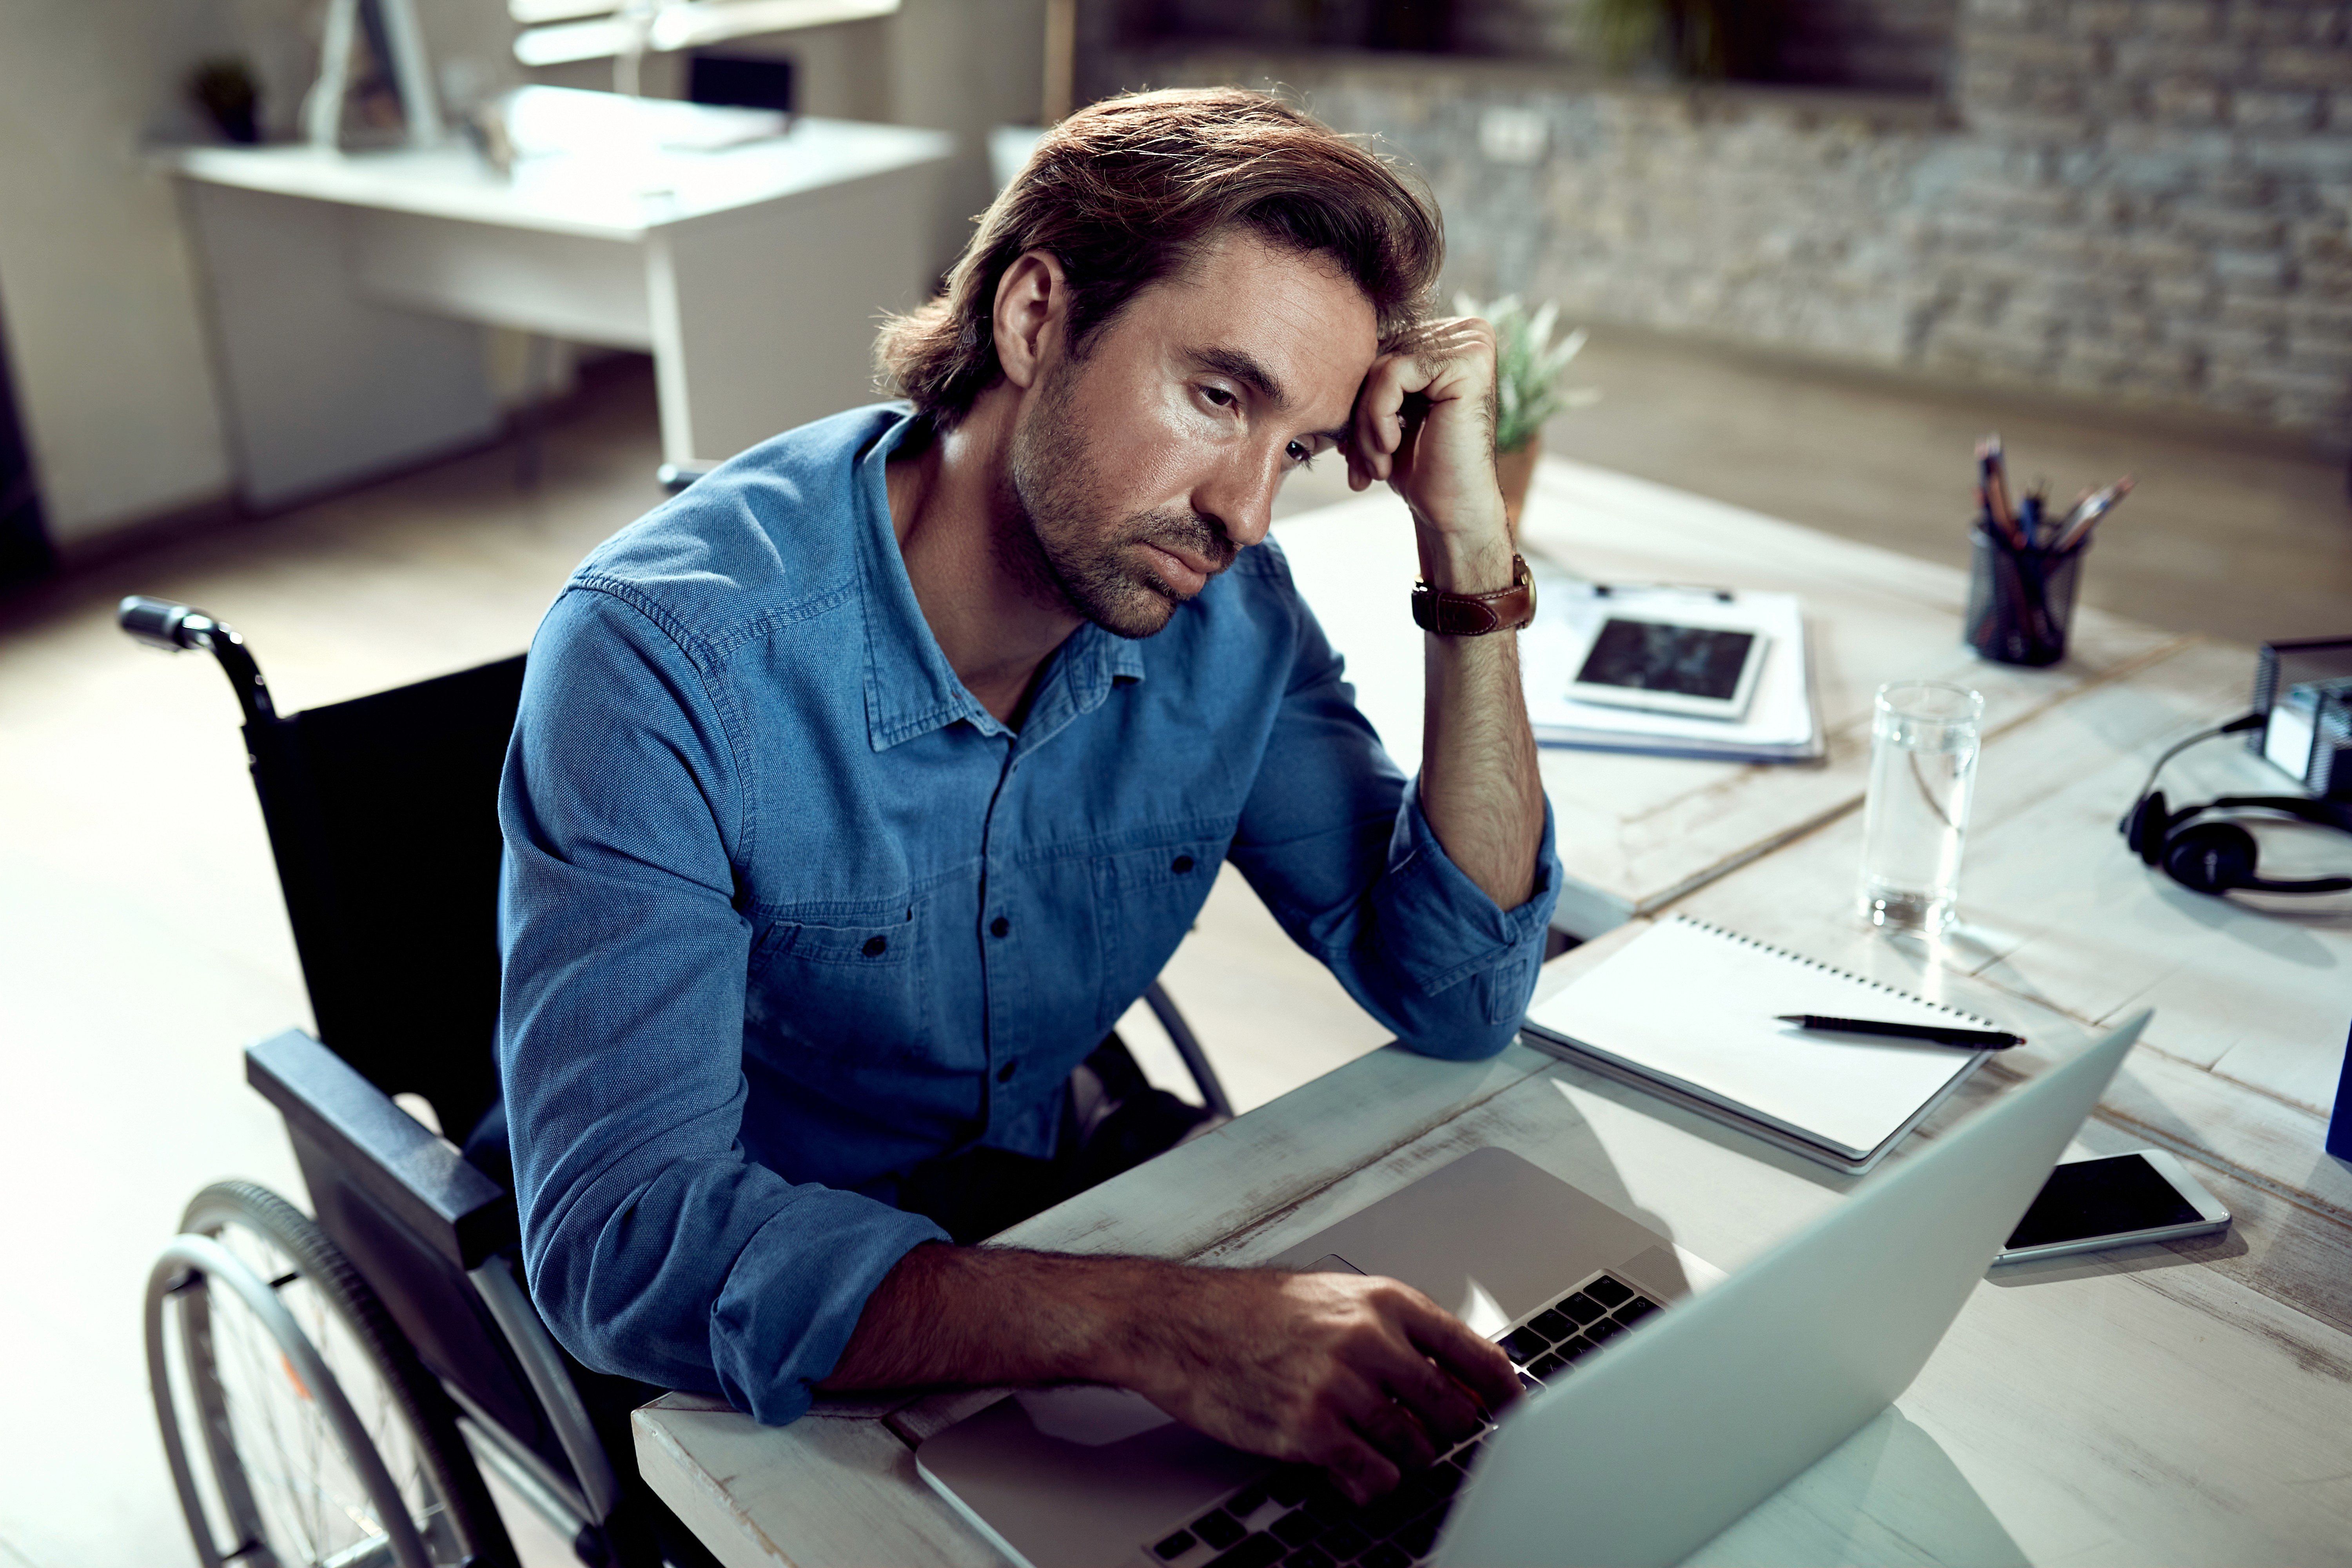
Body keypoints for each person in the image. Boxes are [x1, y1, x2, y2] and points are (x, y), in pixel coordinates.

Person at [496, 87, 1559, 1504]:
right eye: (1218, 397)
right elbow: (627, 1244)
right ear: (1036, 315)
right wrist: (1146, 1325)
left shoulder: (1233, 617)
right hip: (748, 1324)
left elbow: (1460, 991)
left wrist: (1466, 546)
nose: (1245, 513)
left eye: (1298, 448)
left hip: (1041, 1196)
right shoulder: (665, 657)